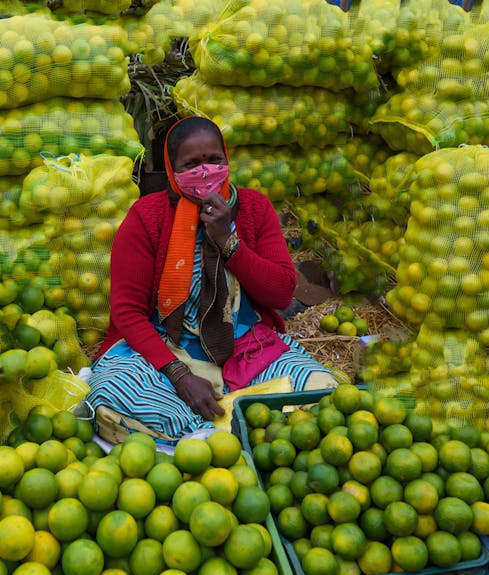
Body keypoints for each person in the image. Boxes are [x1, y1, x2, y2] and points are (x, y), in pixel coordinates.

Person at [86, 116, 337, 446]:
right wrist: (178, 374)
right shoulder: (147, 217)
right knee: (110, 396)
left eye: (213, 160)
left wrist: (227, 241)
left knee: (326, 392)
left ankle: (207, 435)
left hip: (247, 350)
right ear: (172, 170)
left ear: (226, 159)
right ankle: (225, 432)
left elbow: (280, 292)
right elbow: (127, 313)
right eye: (191, 164)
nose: (204, 171)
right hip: (167, 351)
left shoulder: (254, 208)